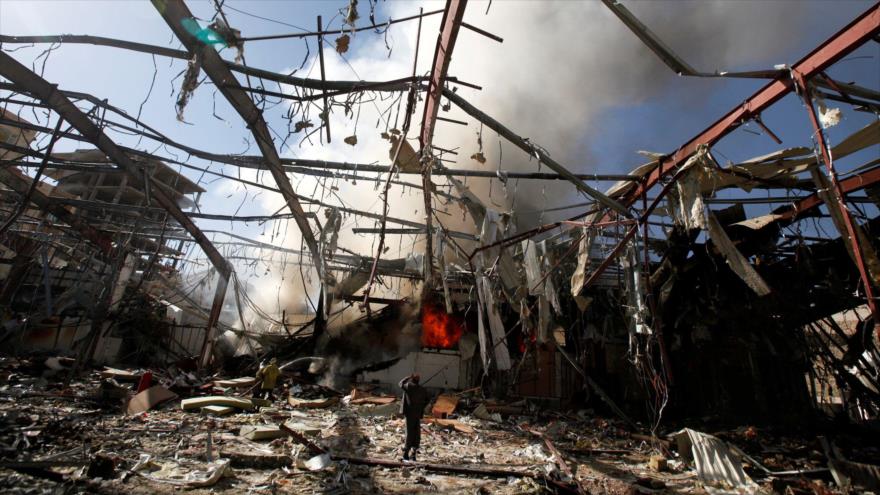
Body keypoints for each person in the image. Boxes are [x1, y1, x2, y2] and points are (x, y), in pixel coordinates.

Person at [398, 373, 428, 461]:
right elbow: (427, 399)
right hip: (418, 413)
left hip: (409, 413)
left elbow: (400, 383)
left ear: (412, 379)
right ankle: (413, 454)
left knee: (409, 433)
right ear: (418, 380)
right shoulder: (422, 389)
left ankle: (406, 454)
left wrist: (407, 377)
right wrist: (421, 407)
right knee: (416, 433)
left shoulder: (408, 386)